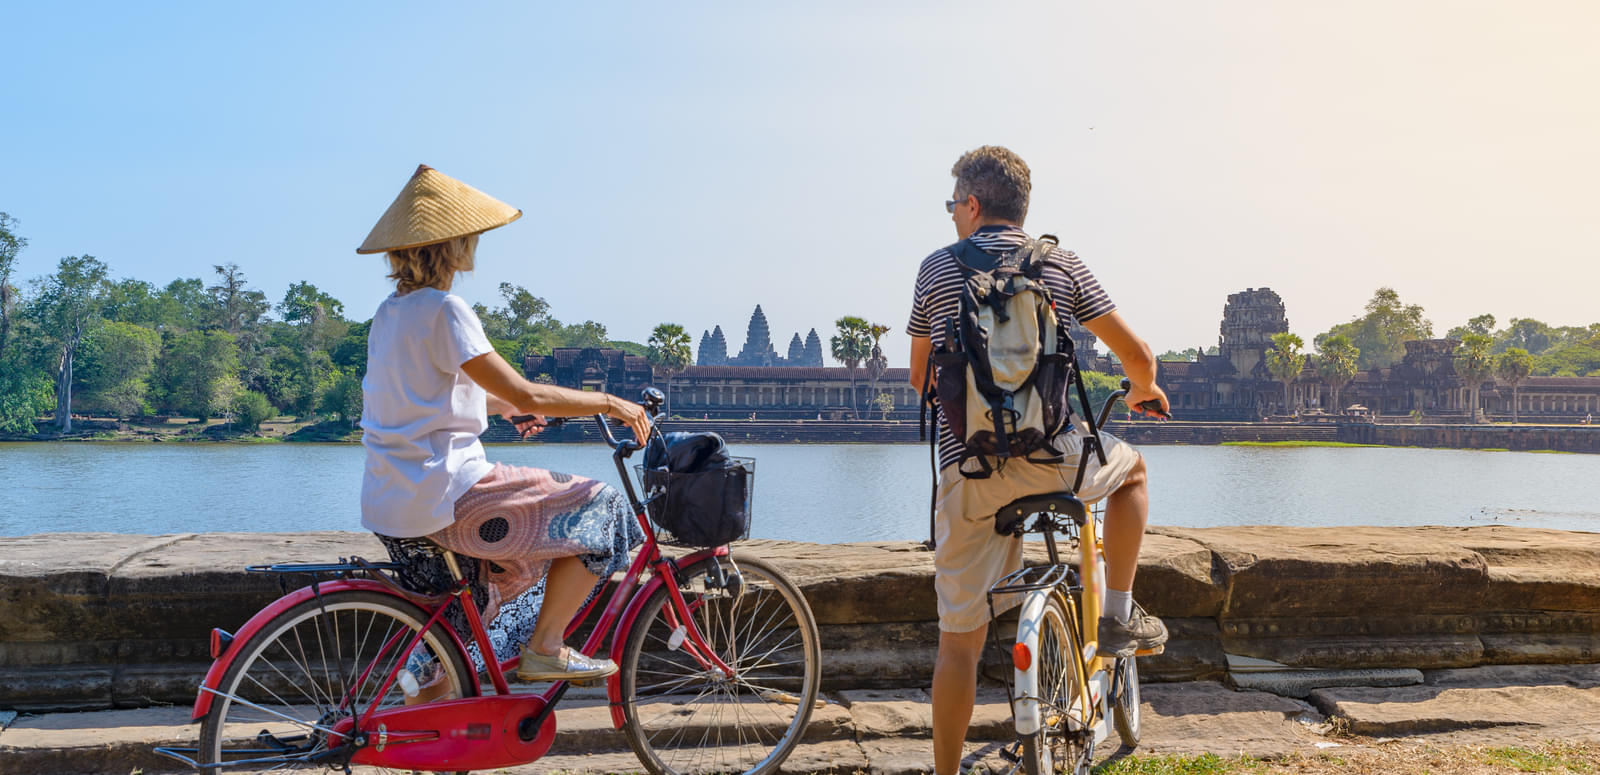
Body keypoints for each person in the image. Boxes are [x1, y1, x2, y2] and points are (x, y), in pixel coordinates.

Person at [906, 146, 1170, 775]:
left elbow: (920, 379)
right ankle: (1117, 616)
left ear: (973, 205)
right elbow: (1138, 357)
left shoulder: (936, 270)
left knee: (958, 644)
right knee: (1131, 471)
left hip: (968, 469)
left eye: (952, 205)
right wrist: (1143, 389)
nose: (952, 215)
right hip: (1057, 457)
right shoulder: (1061, 264)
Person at [355, 165, 652, 693]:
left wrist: (502, 409)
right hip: (447, 492)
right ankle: (546, 647)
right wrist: (611, 403)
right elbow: (527, 392)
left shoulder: (389, 313)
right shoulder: (445, 310)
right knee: (603, 506)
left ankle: (430, 710)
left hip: (388, 498)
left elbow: (425, 399)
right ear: (455, 245)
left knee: (474, 610)